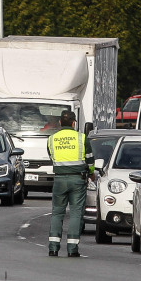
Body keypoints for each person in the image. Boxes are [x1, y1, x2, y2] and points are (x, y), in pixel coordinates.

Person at [46, 110, 94, 257]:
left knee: (57, 213)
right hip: (77, 180)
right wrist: (91, 174)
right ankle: (72, 249)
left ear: (60, 122)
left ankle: (53, 248)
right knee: (75, 214)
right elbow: (90, 160)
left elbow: (51, 156)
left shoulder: (52, 139)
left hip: (59, 179)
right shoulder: (82, 138)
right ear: (74, 123)